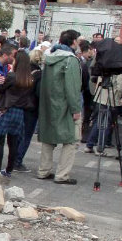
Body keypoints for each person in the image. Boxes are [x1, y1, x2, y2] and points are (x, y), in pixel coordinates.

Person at [36, 30, 83, 185]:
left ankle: (43, 170)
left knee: (48, 139)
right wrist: (76, 109)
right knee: (72, 140)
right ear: (74, 42)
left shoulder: (48, 57)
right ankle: (62, 175)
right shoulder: (71, 60)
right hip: (64, 104)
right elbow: (73, 87)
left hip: (48, 103)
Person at [0, 50, 37, 177]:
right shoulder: (29, 79)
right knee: (13, 143)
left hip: (7, 110)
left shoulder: (12, 76)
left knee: (0, 141)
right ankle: (8, 170)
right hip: (20, 112)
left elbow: (0, 90)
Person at [14, 48, 44, 172]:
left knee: (17, 135)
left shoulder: (22, 71)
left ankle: (13, 159)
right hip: (32, 108)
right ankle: (18, 161)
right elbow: (39, 93)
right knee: (26, 136)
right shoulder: (39, 74)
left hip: (19, 105)